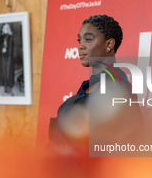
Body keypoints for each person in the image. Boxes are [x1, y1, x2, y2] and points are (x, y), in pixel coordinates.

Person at [48, 14, 142, 156]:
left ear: (109, 44)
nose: (80, 46)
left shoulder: (118, 88)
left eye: (88, 39)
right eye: (79, 40)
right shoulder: (89, 85)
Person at [0, 23, 15, 95]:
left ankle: (8, 87)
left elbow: (11, 50)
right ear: (2, 29)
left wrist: (6, 51)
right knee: (2, 71)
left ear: (8, 29)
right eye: (4, 28)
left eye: (6, 28)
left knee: (8, 72)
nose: (5, 29)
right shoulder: (1, 37)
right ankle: (3, 84)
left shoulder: (11, 37)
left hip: (8, 58)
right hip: (2, 57)